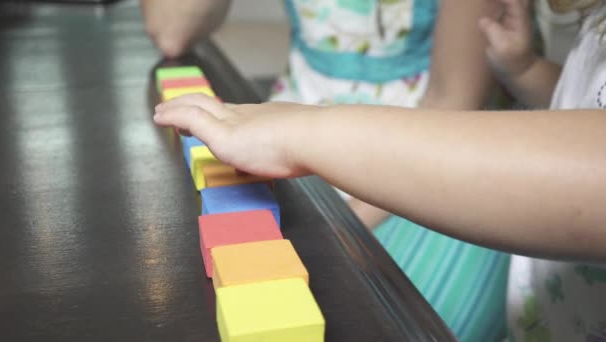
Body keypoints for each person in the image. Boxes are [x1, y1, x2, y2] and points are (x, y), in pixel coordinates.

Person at [153, 0, 606, 339]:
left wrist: (310, 136)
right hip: (551, 304)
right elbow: (581, 99)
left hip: (431, 157)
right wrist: (526, 67)